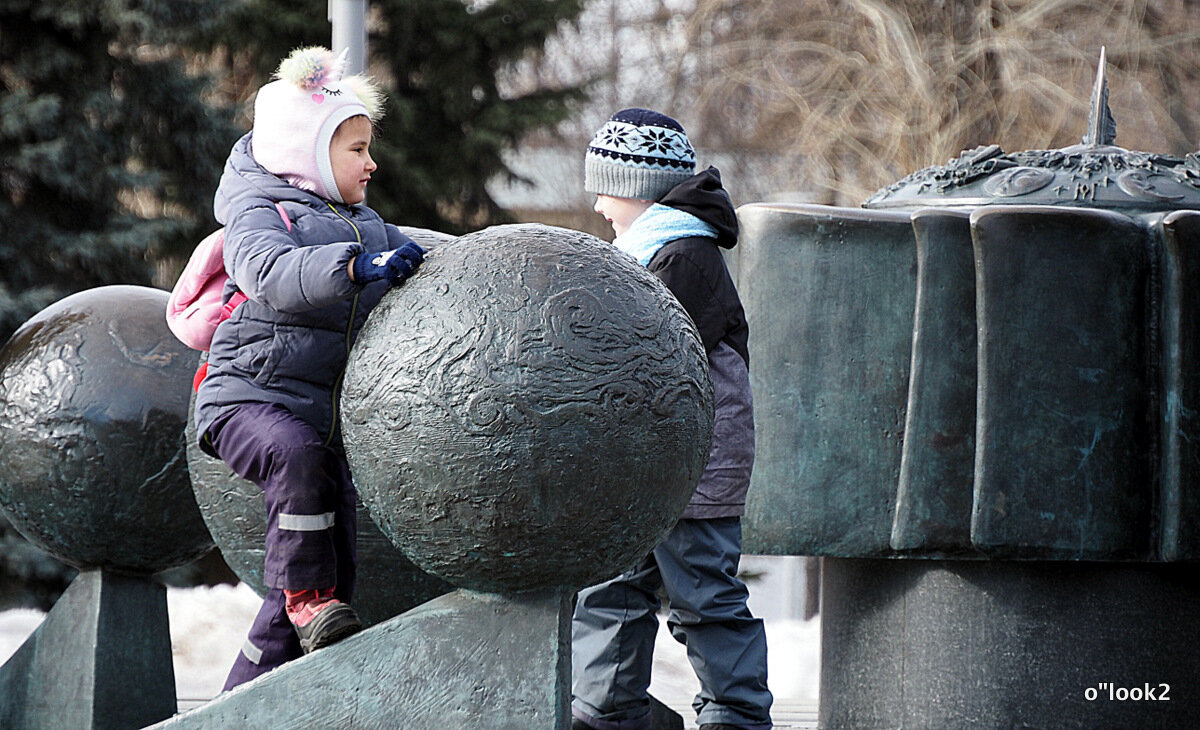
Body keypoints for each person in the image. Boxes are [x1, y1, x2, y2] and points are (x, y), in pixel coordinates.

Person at [193, 46, 426, 690]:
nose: (371, 162)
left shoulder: (368, 226)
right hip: (247, 400)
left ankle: (239, 702)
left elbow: (418, 257)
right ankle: (304, 603)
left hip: (326, 427)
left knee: (331, 580)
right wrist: (355, 267)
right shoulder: (259, 213)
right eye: (355, 149)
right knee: (295, 468)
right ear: (308, 154)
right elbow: (269, 274)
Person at [571, 108, 774, 730]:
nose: (600, 205)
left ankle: (735, 715)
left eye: (606, 187)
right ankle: (610, 708)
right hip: (648, 467)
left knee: (703, 597)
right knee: (611, 588)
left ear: (639, 188)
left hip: (694, 468)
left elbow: (640, 360)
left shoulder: (680, 258)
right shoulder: (651, 252)